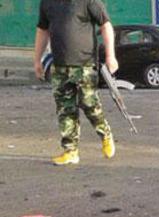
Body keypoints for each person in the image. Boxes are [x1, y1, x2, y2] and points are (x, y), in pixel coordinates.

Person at [33, 0, 118, 166]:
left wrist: (110, 55)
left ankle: (105, 134)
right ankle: (70, 151)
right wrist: (37, 60)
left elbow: (106, 25)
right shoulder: (47, 3)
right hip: (60, 65)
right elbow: (42, 30)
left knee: (89, 103)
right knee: (65, 109)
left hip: (84, 63)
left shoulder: (89, 1)